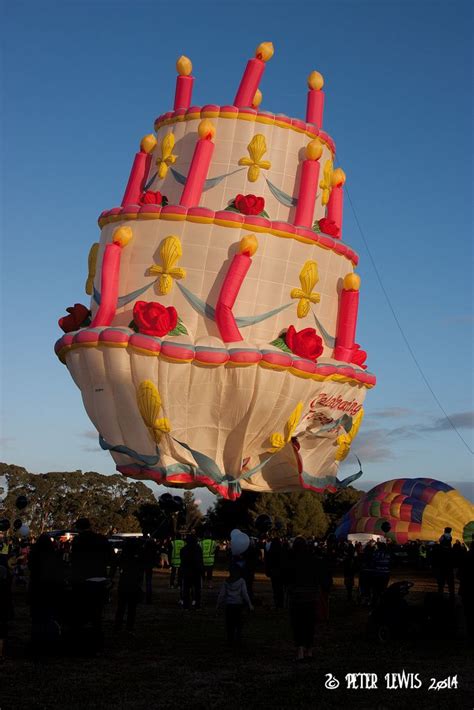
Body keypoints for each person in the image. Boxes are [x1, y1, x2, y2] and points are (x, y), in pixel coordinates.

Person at [70, 518, 111, 651]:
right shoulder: (102, 539)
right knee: (97, 611)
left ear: (79, 528)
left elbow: (74, 560)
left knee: (82, 610)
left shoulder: (78, 541)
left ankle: (81, 640)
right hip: (100, 578)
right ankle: (97, 638)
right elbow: (110, 558)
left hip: (84, 580)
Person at [283, 537, 320, 661]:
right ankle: (309, 650)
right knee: (309, 623)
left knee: (297, 623)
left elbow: (287, 578)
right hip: (311, 596)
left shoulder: (291, 560)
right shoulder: (313, 560)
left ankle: (300, 650)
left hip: (297, 597)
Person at [216, 565, 253, 644]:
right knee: (239, 622)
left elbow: (222, 594)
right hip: (238, 604)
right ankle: (238, 637)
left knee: (229, 623)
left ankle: (230, 638)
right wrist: (249, 604)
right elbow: (245, 594)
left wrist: (218, 604)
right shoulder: (241, 581)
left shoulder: (226, 582)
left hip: (229, 604)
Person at [115, 539, 145, 634]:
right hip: (134, 585)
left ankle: (118, 625)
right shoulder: (138, 557)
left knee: (121, 607)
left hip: (124, 584)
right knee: (132, 608)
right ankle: (129, 626)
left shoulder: (124, 556)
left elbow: (119, 565)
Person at [180, 534, 204, 610]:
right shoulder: (198, 549)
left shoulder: (184, 549)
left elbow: (182, 561)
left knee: (186, 589)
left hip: (187, 571)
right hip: (196, 571)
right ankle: (197, 605)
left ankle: (186, 605)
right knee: (197, 589)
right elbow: (200, 561)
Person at [265, 537, 285, 609]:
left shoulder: (270, 552)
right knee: (280, 588)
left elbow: (267, 563)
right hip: (281, 572)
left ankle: (277, 602)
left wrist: (268, 571)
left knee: (275, 588)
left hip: (273, 572)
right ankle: (281, 603)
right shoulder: (282, 551)